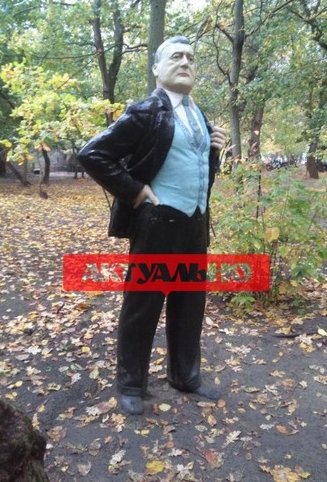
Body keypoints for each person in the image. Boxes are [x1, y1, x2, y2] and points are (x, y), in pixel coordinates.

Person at [78, 36, 227, 415]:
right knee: (143, 305)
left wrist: (213, 152)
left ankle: (185, 376)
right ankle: (131, 384)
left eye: (191, 57)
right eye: (176, 56)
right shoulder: (146, 110)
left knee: (190, 304)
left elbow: (199, 172)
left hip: (195, 223)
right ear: (157, 68)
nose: (185, 62)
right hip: (158, 223)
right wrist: (135, 191)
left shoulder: (199, 115)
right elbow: (93, 153)